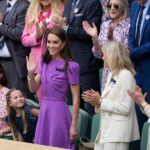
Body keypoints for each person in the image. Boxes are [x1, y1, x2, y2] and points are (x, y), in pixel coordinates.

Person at [26, 26, 80, 149]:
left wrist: (74, 125)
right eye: (49, 42)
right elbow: (33, 89)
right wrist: (30, 73)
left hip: (59, 113)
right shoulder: (44, 62)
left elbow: (76, 97)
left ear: (63, 44)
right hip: (44, 111)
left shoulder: (72, 66)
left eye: (55, 42)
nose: (51, 45)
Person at [82, 41, 139, 150]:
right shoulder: (112, 74)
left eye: (104, 55)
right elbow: (107, 102)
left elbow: (126, 108)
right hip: (106, 131)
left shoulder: (126, 76)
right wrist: (96, 101)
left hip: (118, 133)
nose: (102, 58)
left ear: (113, 56)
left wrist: (100, 101)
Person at [52, 0, 103, 116]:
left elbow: (90, 32)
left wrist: (65, 27)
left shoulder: (92, 3)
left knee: (91, 106)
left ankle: (92, 134)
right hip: (69, 62)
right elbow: (65, 29)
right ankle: (75, 132)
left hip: (86, 64)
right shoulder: (69, 3)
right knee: (72, 105)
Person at [21, 0, 64, 103]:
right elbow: (24, 39)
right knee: (43, 102)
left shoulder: (61, 8)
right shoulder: (31, 12)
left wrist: (45, 33)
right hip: (38, 64)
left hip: (56, 61)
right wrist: (37, 37)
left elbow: (62, 35)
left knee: (58, 100)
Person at [83, 0, 130, 93]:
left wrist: (112, 40)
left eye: (116, 6)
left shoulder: (128, 27)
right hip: (107, 74)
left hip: (122, 74)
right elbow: (99, 54)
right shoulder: (105, 25)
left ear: (123, 8)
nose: (112, 8)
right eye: (109, 6)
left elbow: (126, 54)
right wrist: (95, 38)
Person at [0, 0, 33, 99]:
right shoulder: (1, 3)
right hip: (1, 63)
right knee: (5, 102)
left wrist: (0, 25)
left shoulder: (25, 5)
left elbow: (19, 33)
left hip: (15, 63)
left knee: (21, 101)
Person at [128, 0, 150, 149]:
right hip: (137, 71)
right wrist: (130, 49)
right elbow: (131, 33)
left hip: (148, 69)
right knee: (137, 117)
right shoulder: (135, 5)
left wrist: (134, 53)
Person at [0, 64, 11, 138]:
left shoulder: (8, 94)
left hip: (6, 135)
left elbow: (17, 121)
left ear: (1, 75)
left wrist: (3, 131)